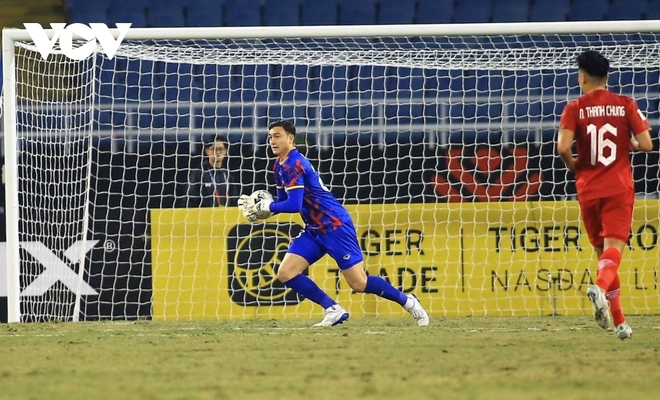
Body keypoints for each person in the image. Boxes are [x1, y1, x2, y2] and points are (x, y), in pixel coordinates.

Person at [238, 120, 429, 327]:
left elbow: (294, 205)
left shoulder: (295, 163)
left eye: (277, 136)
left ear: (290, 138)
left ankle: (409, 302)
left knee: (359, 283)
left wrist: (269, 207)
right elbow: (283, 200)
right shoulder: (279, 164)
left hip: (335, 226)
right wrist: (264, 210)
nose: (272, 141)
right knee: (286, 273)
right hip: (315, 228)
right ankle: (333, 309)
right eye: (270, 137)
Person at [557, 50, 653, 340]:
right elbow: (647, 144)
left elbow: (562, 148)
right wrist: (630, 144)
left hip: (588, 189)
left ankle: (620, 322)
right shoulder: (625, 104)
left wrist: (577, 168)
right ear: (607, 77)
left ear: (582, 77)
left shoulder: (574, 108)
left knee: (603, 256)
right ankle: (599, 288)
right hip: (618, 188)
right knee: (614, 254)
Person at [180, 133, 238, 207]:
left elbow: (235, 202)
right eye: (214, 149)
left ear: (225, 151)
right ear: (207, 151)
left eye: (220, 149)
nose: (217, 152)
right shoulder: (198, 174)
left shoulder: (229, 176)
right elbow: (189, 202)